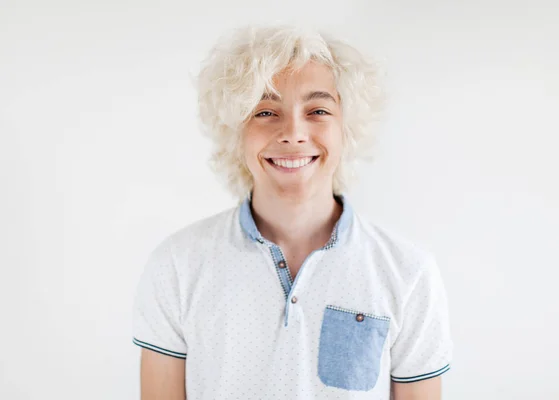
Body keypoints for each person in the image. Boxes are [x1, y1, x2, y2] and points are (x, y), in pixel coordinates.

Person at [131, 24, 453, 399]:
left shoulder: (408, 273)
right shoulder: (177, 265)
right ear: (235, 131)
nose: (293, 133)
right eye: (266, 111)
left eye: (317, 110)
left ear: (347, 128)